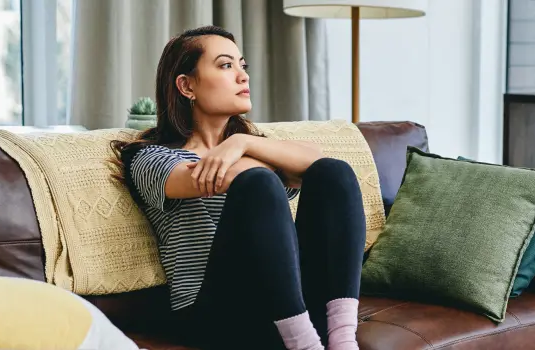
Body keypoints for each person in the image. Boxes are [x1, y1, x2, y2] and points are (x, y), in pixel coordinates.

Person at [110, 26, 367, 350]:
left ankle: (344, 341)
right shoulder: (151, 158)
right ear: (186, 85)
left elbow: (318, 163)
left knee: (334, 171)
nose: (243, 76)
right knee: (258, 183)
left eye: (242, 65)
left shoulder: (249, 147)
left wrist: (241, 141)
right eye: (225, 65)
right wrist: (269, 162)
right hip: (215, 315)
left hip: (287, 305)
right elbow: (208, 178)